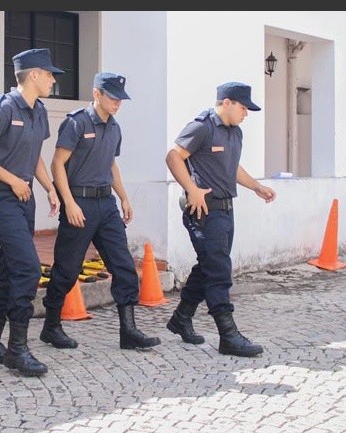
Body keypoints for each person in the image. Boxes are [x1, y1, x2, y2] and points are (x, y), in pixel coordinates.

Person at [43, 72, 161, 351]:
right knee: (67, 269)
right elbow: (57, 163)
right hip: (80, 202)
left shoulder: (115, 127)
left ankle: (128, 331)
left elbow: (111, 164)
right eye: (112, 97)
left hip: (106, 204)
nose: (118, 103)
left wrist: (124, 198)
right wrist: (69, 202)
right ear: (97, 94)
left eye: (121, 99)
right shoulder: (76, 123)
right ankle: (51, 326)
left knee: (124, 266)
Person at [0, 48, 61, 377]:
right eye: (49, 74)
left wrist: (49, 187)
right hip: (1, 195)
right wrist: (13, 181)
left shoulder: (39, 111)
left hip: (24, 195)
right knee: (28, 268)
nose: (53, 80)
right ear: (33, 75)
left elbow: (34, 155)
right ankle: (17, 349)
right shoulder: (6, 108)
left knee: (9, 267)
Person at [165, 81, 276, 357]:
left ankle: (181, 318)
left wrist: (256, 186)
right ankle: (228, 335)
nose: (246, 114)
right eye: (243, 108)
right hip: (204, 210)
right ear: (227, 103)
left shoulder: (235, 132)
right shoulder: (202, 127)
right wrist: (191, 189)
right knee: (219, 271)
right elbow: (174, 156)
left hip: (226, 210)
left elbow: (232, 166)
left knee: (208, 266)